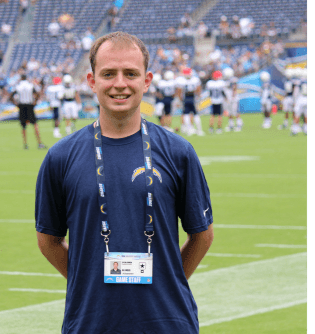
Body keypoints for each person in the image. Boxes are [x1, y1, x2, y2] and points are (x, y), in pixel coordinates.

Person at [35, 31, 214, 334]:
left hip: (167, 322)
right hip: (91, 322)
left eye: (130, 73)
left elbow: (202, 235)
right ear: (92, 81)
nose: (120, 83)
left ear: (146, 80)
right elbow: (48, 241)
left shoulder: (179, 152)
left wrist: (166, 280)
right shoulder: (60, 157)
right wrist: (89, 281)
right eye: (109, 74)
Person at [9, 74, 47, 149]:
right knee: (35, 124)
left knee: (23, 126)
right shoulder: (30, 85)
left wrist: (16, 104)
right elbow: (37, 94)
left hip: (22, 106)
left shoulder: (18, 86)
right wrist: (35, 102)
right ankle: (39, 143)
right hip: (30, 105)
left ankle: (25, 144)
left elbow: (11, 96)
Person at [175, 67, 204, 136]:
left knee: (186, 114)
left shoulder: (181, 80)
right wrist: (198, 96)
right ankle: (199, 130)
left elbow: (179, 91)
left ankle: (189, 130)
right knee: (195, 114)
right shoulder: (195, 79)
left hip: (186, 98)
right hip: (193, 98)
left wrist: (180, 99)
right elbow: (198, 89)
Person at [222, 67, 243, 132]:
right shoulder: (225, 80)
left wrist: (233, 96)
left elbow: (234, 88)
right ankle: (231, 125)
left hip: (233, 99)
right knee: (230, 112)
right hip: (228, 98)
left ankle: (239, 124)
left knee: (235, 112)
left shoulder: (233, 80)